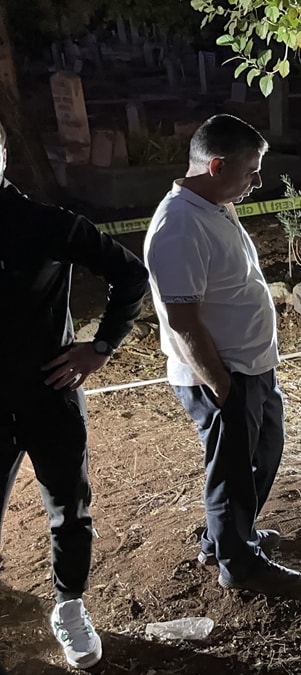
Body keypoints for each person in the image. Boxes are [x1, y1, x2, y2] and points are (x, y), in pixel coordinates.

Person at [0, 119, 149, 669]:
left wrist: (101, 345)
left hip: (49, 394)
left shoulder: (45, 223)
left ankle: (68, 605)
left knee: (68, 507)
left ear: (3, 153)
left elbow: (130, 275)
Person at [144, 114, 301, 596]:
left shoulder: (213, 205)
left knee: (261, 454)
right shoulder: (180, 226)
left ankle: (231, 534)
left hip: (251, 368)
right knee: (232, 473)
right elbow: (184, 322)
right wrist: (223, 387)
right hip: (222, 375)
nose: (257, 180)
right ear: (215, 166)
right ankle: (237, 562)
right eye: (250, 170)